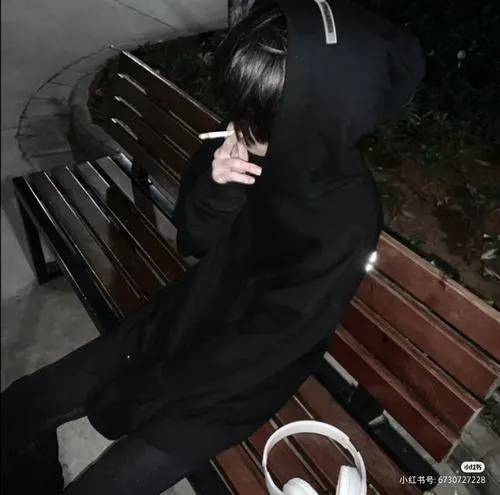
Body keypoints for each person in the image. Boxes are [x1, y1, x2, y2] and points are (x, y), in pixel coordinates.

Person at [1, 1, 425, 493]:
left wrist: (142, 388)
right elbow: (196, 238)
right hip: (185, 315)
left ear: (314, 121)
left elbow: (259, 347)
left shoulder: (345, 220)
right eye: (238, 111)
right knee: (19, 407)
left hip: (232, 386)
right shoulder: (256, 142)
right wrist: (218, 186)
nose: (237, 127)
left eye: (253, 120)